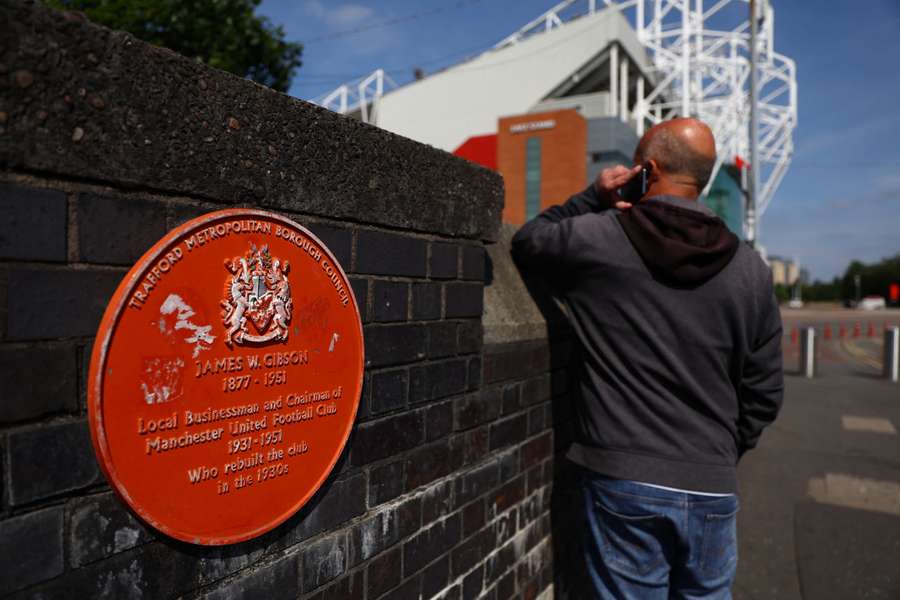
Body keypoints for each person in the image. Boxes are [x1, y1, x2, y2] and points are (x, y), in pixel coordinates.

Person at [511, 118, 783, 599]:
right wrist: (721, 453)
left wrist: (593, 195)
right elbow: (765, 392)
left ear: (647, 170)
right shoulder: (751, 271)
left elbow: (528, 240)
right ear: (701, 177)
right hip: (714, 485)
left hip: (624, 479)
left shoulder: (598, 239)